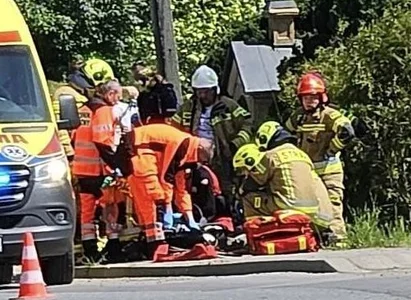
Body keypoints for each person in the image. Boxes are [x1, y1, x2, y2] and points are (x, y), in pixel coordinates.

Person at [130, 82, 199, 253]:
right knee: (154, 206)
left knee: (148, 212)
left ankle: (154, 244)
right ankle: (157, 244)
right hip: (149, 177)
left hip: (140, 174)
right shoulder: (180, 138)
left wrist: (185, 212)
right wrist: (178, 210)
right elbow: (173, 179)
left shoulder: (141, 132)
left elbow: (175, 180)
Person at [287, 73, 355, 241]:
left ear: (321, 97)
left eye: (313, 97)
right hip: (308, 172)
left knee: (333, 203)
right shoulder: (298, 116)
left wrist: (332, 150)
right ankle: (316, 237)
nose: (309, 101)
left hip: (328, 171)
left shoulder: (330, 115)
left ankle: (338, 238)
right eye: (305, 97)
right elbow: (285, 135)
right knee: (309, 205)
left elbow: (347, 132)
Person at [69, 64, 126, 264]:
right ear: (110, 93)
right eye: (117, 96)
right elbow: (102, 140)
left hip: (82, 169)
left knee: (86, 210)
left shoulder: (83, 110)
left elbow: (74, 137)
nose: (118, 100)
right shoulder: (103, 111)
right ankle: (113, 246)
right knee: (110, 205)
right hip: (100, 168)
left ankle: (90, 247)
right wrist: (116, 164)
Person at [172, 65, 252, 195]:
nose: (202, 95)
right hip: (195, 157)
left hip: (223, 156)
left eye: (206, 91)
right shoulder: (187, 108)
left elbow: (248, 125)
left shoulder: (228, 106)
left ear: (215, 90)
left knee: (225, 188)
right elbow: (173, 130)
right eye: (199, 91)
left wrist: (236, 144)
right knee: (198, 189)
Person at [233, 133, 333, 233]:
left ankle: (255, 231)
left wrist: (241, 189)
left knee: (248, 198)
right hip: (319, 216)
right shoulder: (302, 156)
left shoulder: (269, 156)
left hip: (291, 206)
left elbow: (250, 185)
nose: (244, 173)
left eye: (242, 170)